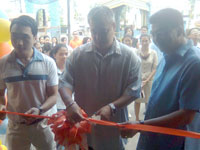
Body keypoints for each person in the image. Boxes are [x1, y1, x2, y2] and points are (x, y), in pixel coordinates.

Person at [59, 6, 141, 150]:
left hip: (113, 129)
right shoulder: (78, 55)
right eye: (93, 31)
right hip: (82, 128)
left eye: (103, 31)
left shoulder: (129, 57)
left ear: (114, 26)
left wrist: (112, 106)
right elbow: (65, 82)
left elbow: (133, 90)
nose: (97, 37)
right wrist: (70, 104)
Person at [121, 8, 200, 150]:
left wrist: (141, 126)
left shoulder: (193, 64)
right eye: (154, 34)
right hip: (151, 139)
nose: (157, 39)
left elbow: (186, 115)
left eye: (161, 33)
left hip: (172, 143)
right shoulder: (166, 55)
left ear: (179, 30)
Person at [0, 15, 58, 150]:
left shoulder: (48, 63)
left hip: (43, 124)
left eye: (25, 37)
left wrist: (40, 110)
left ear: (35, 37)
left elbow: (53, 96)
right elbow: (1, 94)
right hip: (16, 126)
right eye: (14, 36)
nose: (19, 42)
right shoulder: (3, 63)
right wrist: (2, 106)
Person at [134, 34, 158, 121]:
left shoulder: (153, 53)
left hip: (149, 80)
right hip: (138, 80)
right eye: (142, 41)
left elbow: (155, 68)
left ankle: (148, 119)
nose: (144, 43)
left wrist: (147, 80)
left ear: (149, 41)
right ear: (140, 42)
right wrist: (139, 80)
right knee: (138, 100)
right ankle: (137, 119)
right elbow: (134, 66)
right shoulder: (136, 52)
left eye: (146, 41)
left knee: (149, 100)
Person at [50, 44, 68, 111]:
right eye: (61, 54)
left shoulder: (71, 69)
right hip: (55, 106)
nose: (64, 57)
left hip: (70, 106)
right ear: (54, 55)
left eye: (66, 54)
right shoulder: (51, 69)